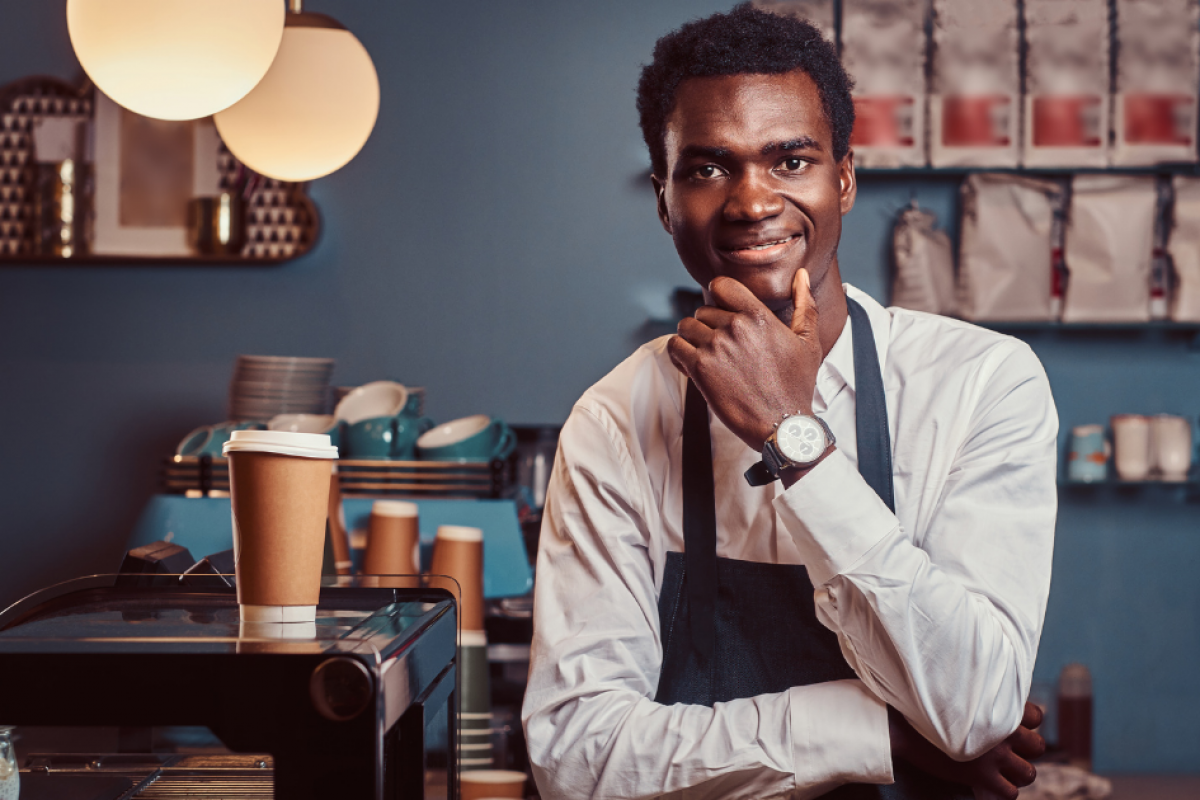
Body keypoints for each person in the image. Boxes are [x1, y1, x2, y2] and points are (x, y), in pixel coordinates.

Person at [522, 5, 1057, 799]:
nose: (751, 201)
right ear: (664, 201)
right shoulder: (614, 420)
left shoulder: (983, 383)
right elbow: (577, 753)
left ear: (843, 177)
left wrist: (791, 434)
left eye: (790, 161)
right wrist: (882, 734)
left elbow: (975, 708)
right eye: (707, 169)